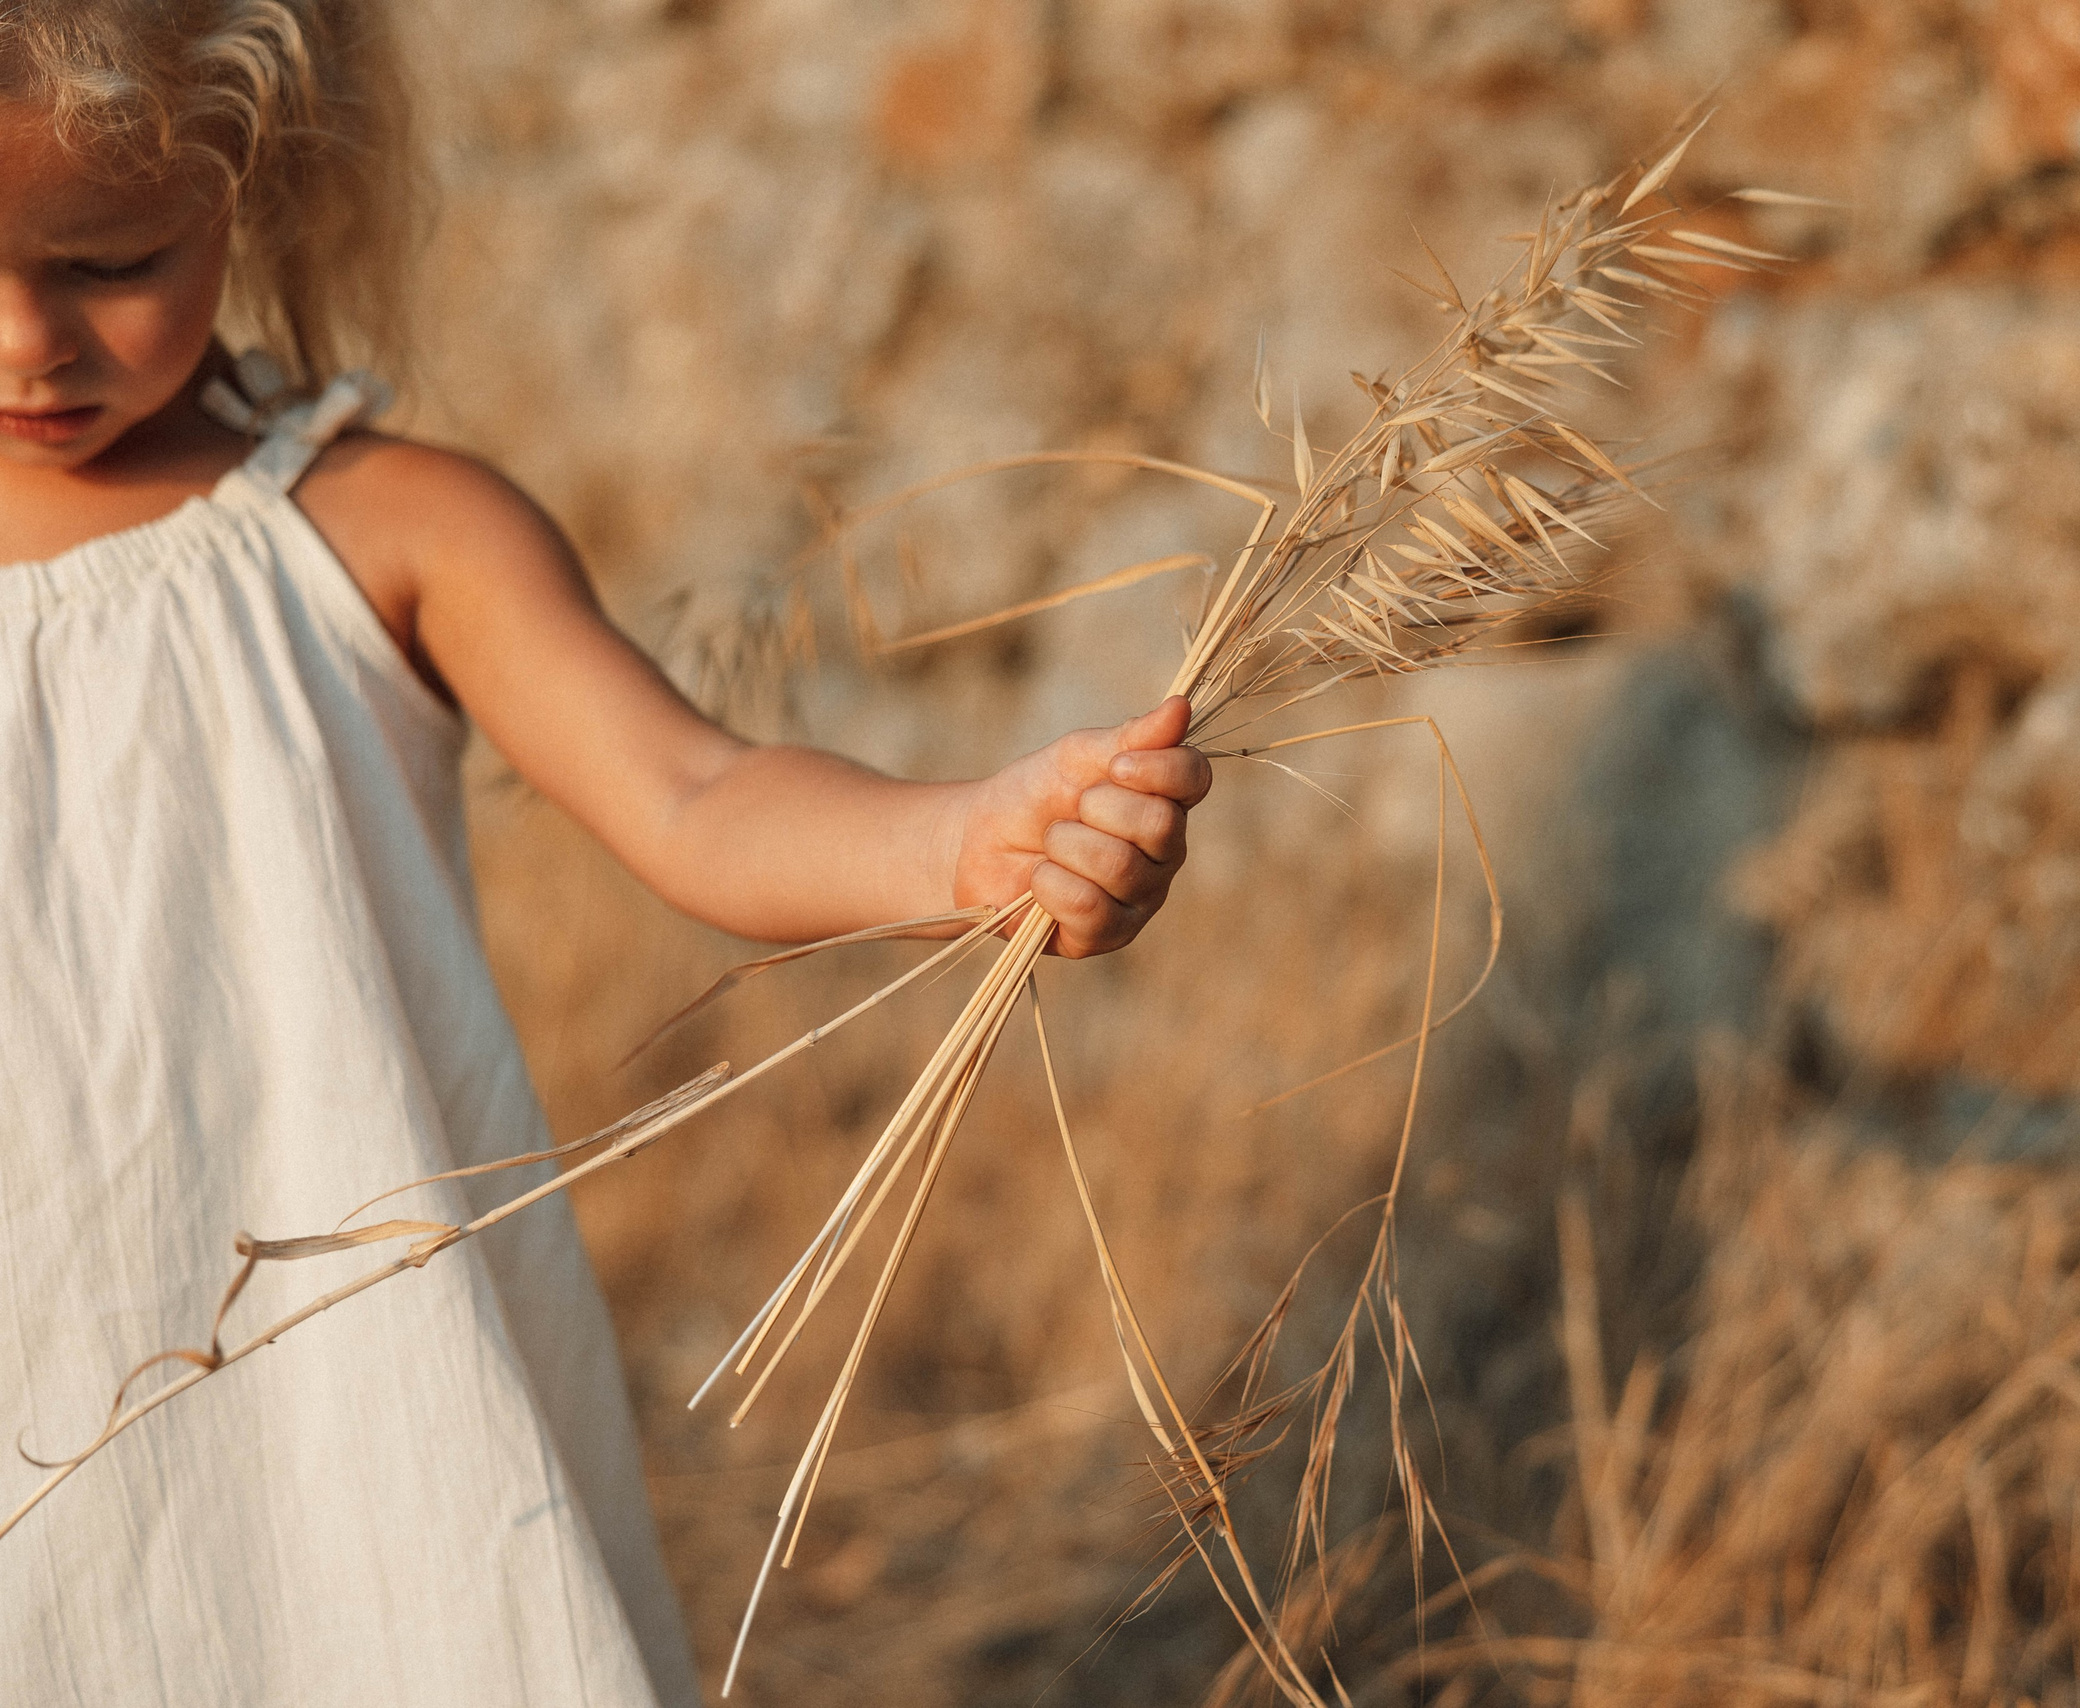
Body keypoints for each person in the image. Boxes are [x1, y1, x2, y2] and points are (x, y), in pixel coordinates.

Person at [0, 4, 1209, 1703]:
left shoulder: (380, 530)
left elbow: (694, 795)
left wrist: (961, 845)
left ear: (252, 183)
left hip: (329, 1389)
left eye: (110, 259)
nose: (29, 341)